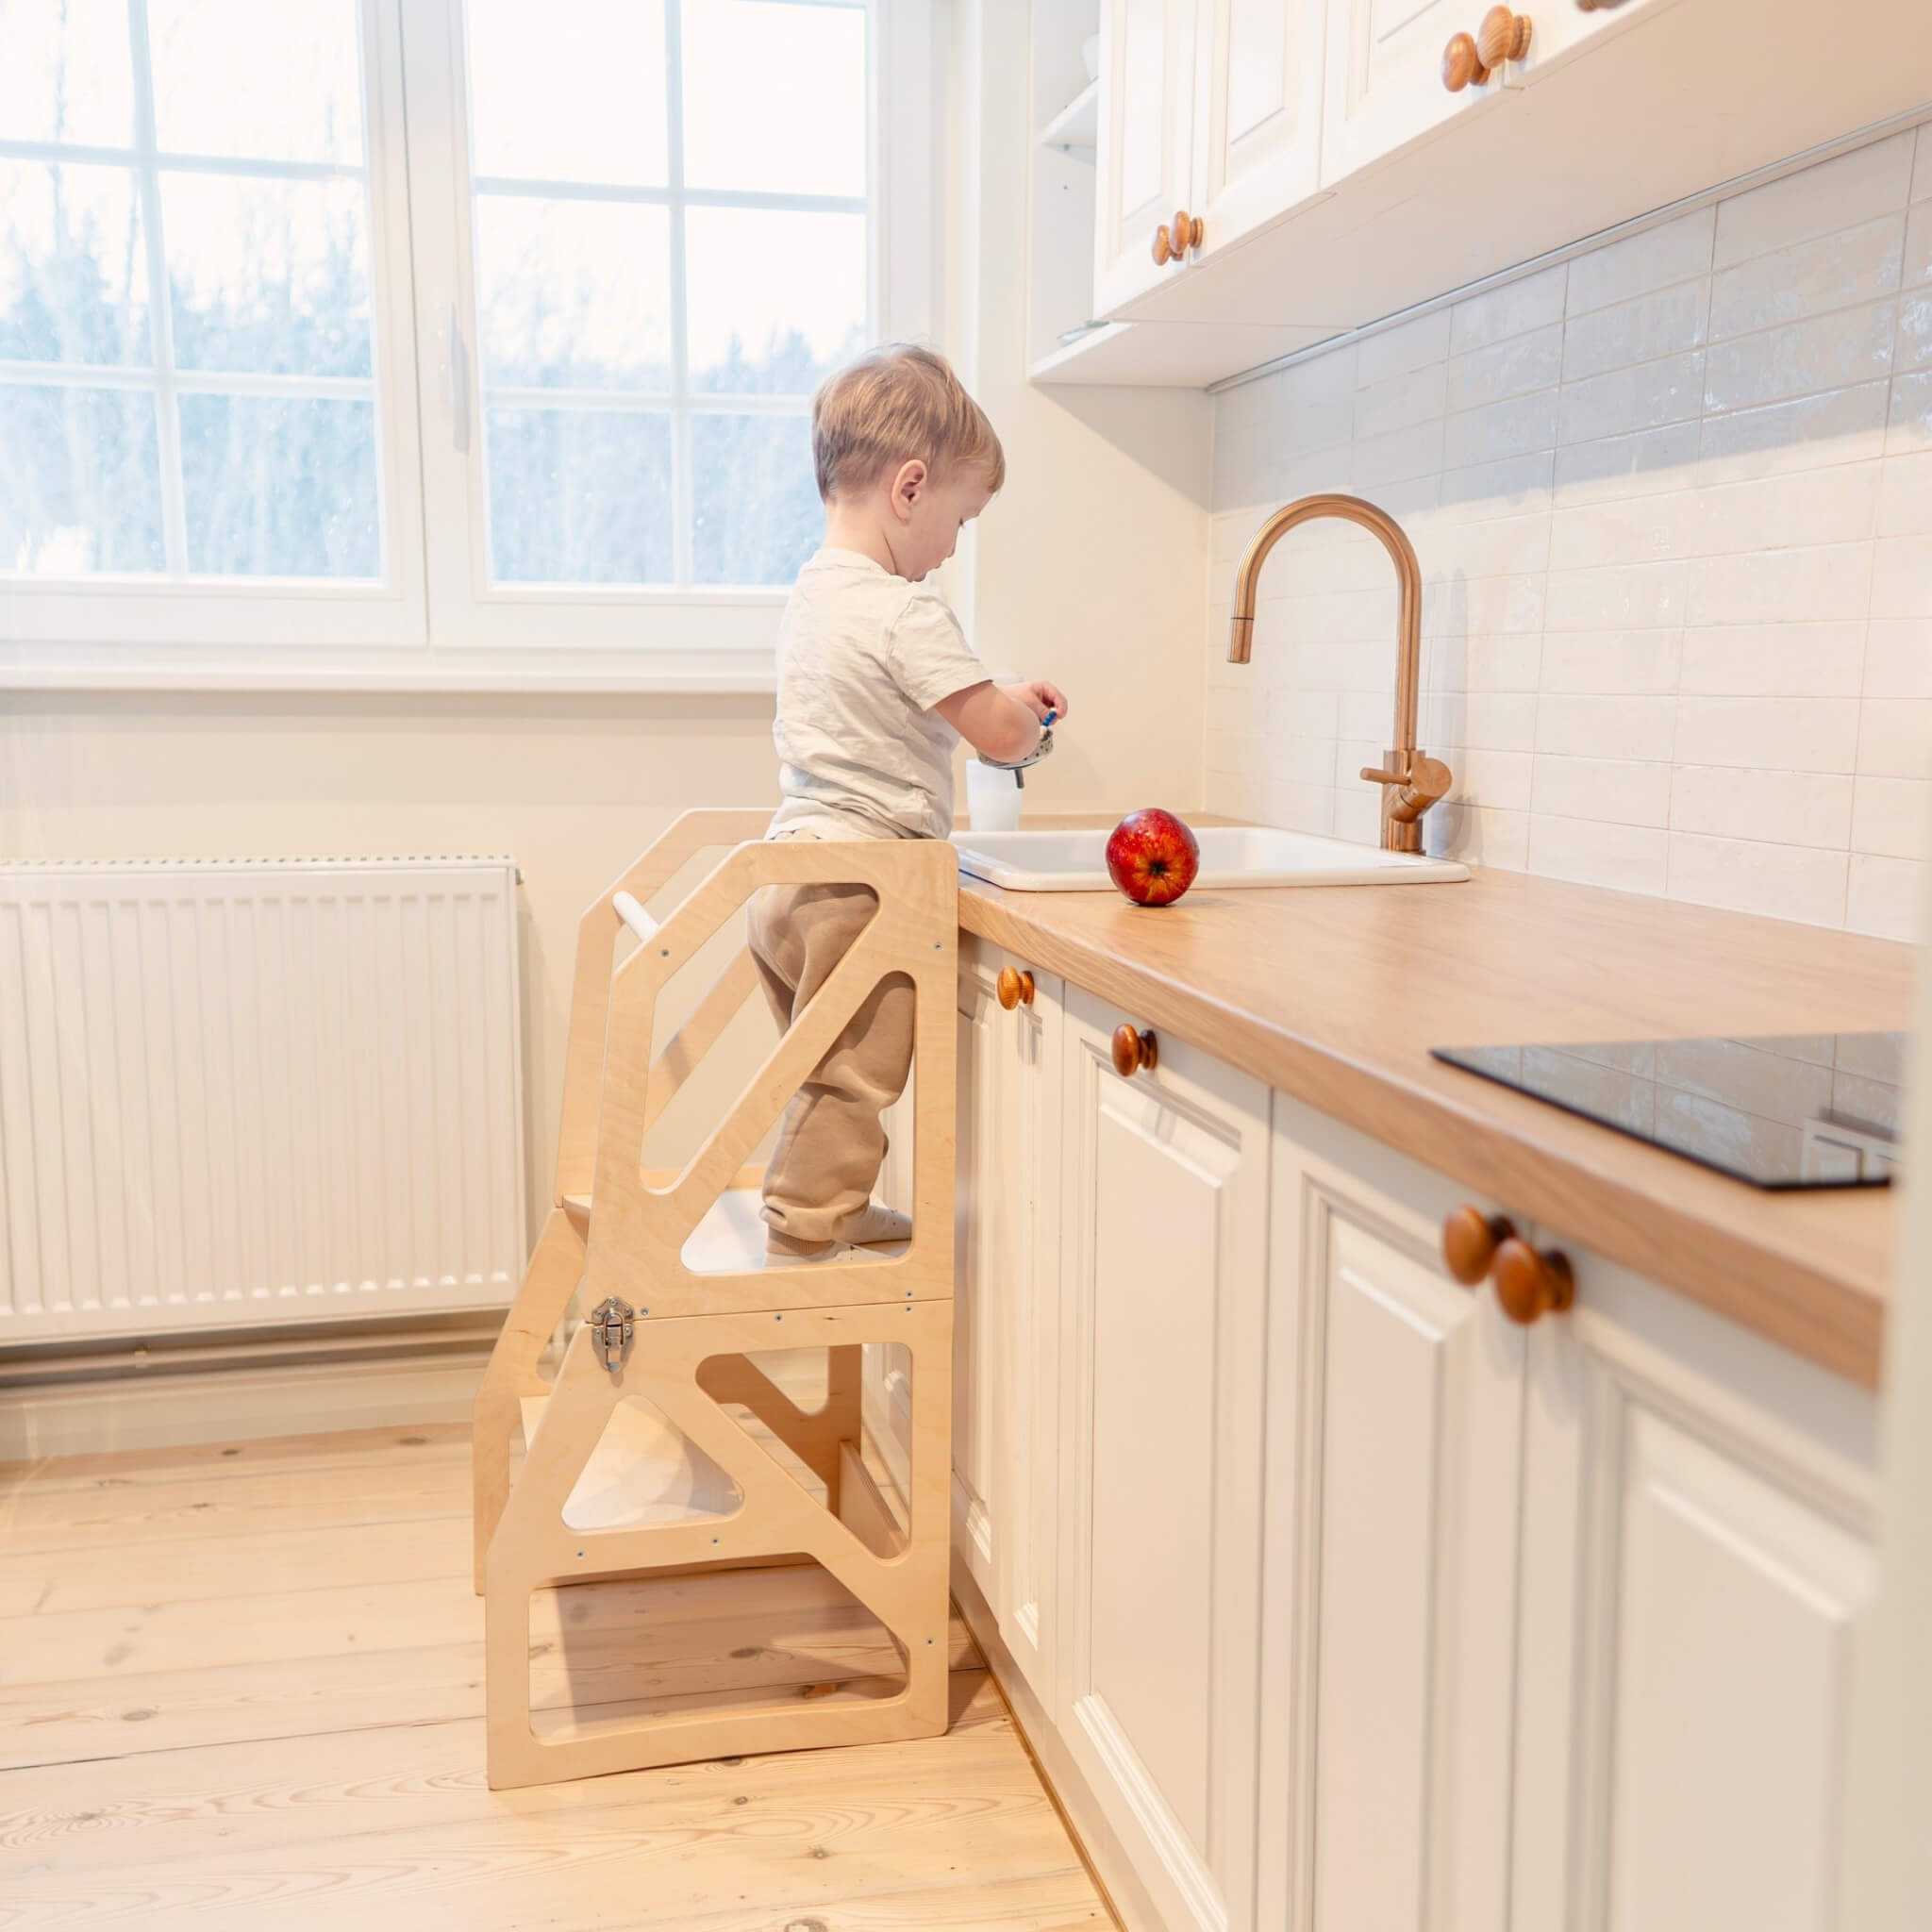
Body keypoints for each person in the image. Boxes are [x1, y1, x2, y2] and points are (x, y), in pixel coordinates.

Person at [749, 342, 1068, 1261]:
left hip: (787, 881)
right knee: (853, 1076)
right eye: (961, 519)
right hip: (859, 888)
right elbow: (997, 736)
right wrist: (1028, 723)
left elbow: (892, 696)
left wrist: (990, 686)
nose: (952, 546)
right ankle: (807, 1229)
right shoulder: (903, 607)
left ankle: (831, 1204)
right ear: (910, 487)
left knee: (821, 1069)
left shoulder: (814, 594)